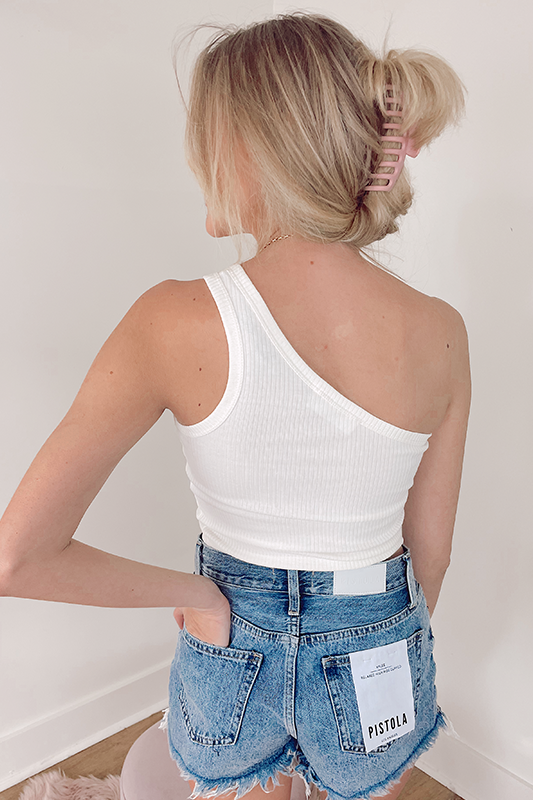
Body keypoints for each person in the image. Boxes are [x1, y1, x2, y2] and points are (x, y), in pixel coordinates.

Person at [0, 12, 470, 800]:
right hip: (380, 631)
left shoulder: (173, 318)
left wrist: (198, 597)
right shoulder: (441, 331)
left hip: (231, 639)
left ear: (250, 152)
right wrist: (376, 646)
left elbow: (16, 558)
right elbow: (432, 558)